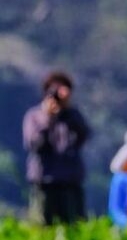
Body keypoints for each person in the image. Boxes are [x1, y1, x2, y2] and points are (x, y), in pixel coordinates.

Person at [22, 70, 90, 225]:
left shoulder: (72, 116)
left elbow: (83, 136)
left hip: (70, 182)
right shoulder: (34, 116)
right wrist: (48, 118)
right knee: (42, 226)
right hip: (45, 181)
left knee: (76, 225)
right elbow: (33, 144)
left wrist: (68, 111)